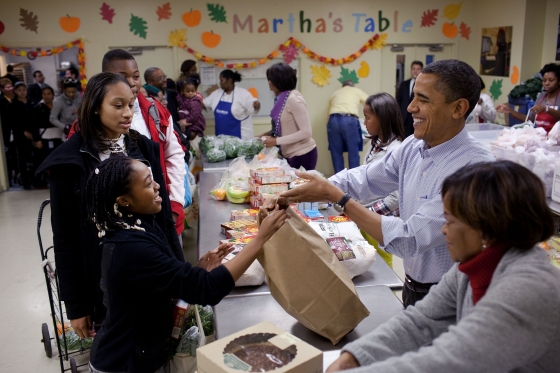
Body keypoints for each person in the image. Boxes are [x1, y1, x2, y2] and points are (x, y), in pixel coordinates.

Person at [282, 59, 495, 307]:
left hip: (451, 296)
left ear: (458, 108)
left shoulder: (475, 169)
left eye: (423, 100)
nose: (411, 107)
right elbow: (365, 179)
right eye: (413, 96)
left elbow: (410, 239)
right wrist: (310, 186)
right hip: (412, 284)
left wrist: (338, 198)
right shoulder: (413, 147)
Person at [326, 161, 560, 373]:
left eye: (450, 221)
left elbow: (451, 360)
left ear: (486, 227)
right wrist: (354, 357)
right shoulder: (467, 271)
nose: (443, 230)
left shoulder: (529, 289)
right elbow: (419, 321)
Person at [85, 156, 287, 373]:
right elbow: (207, 289)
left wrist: (196, 270)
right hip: (124, 363)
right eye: (147, 183)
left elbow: (161, 282)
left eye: (153, 179)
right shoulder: (131, 249)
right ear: (124, 201)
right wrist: (260, 238)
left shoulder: (138, 225)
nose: (157, 186)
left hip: (143, 353)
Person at [36, 72, 183, 341]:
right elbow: (66, 238)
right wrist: (76, 306)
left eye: (130, 105)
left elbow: (163, 218)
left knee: (155, 342)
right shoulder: (69, 163)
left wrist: (178, 273)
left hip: (150, 269)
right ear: (94, 108)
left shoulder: (143, 148)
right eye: (118, 105)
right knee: (118, 348)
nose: (127, 113)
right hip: (102, 280)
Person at [68, 49, 187, 235]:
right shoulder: (82, 133)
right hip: (108, 229)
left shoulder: (153, 116)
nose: (131, 82)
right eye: (122, 76)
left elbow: (174, 156)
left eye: (136, 76)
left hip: (155, 218)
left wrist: (174, 203)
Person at [360, 93, 405, 267]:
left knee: (382, 265)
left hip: (380, 219)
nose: (364, 123)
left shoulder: (397, 151)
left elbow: (395, 197)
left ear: (383, 119)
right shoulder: (376, 145)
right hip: (366, 214)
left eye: (367, 118)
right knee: (367, 259)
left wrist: (365, 214)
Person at [261, 62, 318, 170]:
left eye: (271, 79)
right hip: (289, 154)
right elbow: (285, 127)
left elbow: (306, 132)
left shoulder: (294, 99)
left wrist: (276, 141)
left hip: (302, 154)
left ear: (280, 81)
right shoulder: (282, 99)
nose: (269, 83)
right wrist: (263, 135)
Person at [497, 63, 560, 132]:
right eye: (544, 80)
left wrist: (547, 109)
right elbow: (530, 119)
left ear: (559, 81)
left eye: (551, 80)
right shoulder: (541, 96)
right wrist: (510, 110)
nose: (547, 83)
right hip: (541, 137)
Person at [203, 69, 260, 139]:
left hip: (241, 139)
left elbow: (254, 105)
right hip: (221, 140)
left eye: (222, 80)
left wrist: (256, 105)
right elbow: (205, 105)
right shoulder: (216, 93)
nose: (220, 83)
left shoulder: (242, 93)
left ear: (229, 80)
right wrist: (194, 98)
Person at [327, 80, 369, 173]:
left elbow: (328, 110)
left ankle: (339, 181)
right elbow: (370, 102)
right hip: (349, 119)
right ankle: (354, 180)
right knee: (353, 151)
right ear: (352, 86)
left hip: (333, 119)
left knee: (336, 152)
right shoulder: (356, 90)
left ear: (343, 86)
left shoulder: (335, 93)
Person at [7, 82, 40, 189]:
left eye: (23, 90)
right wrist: (23, 131)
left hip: (32, 133)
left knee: (35, 157)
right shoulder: (13, 104)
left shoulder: (31, 102)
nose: (22, 92)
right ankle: (25, 181)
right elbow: (12, 121)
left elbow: (34, 119)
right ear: (16, 91)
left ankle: (36, 180)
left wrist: (33, 132)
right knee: (22, 158)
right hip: (20, 135)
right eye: (19, 90)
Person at [33, 86, 58, 187]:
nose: (46, 96)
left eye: (49, 93)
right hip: (44, 138)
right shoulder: (38, 107)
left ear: (52, 95)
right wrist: (37, 139)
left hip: (58, 137)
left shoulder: (58, 105)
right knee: (44, 160)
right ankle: (42, 181)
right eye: (44, 94)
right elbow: (34, 125)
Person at [396, 60, 423, 138]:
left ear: (421, 70)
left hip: (418, 116)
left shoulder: (424, 85)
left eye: (418, 69)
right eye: (413, 69)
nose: (415, 71)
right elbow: (399, 100)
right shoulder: (404, 84)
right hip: (405, 117)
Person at [177, 75, 206, 140]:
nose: (190, 93)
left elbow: (194, 115)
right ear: (182, 91)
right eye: (188, 91)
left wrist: (186, 120)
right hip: (186, 126)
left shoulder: (195, 102)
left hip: (194, 125)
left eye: (192, 91)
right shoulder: (182, 100)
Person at [0, 78, 17, 185]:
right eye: (8, 87)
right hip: (6, 132)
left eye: (11, 86)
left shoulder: (15, 99)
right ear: (2, 89)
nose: (11, 89)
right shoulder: (2, 101)